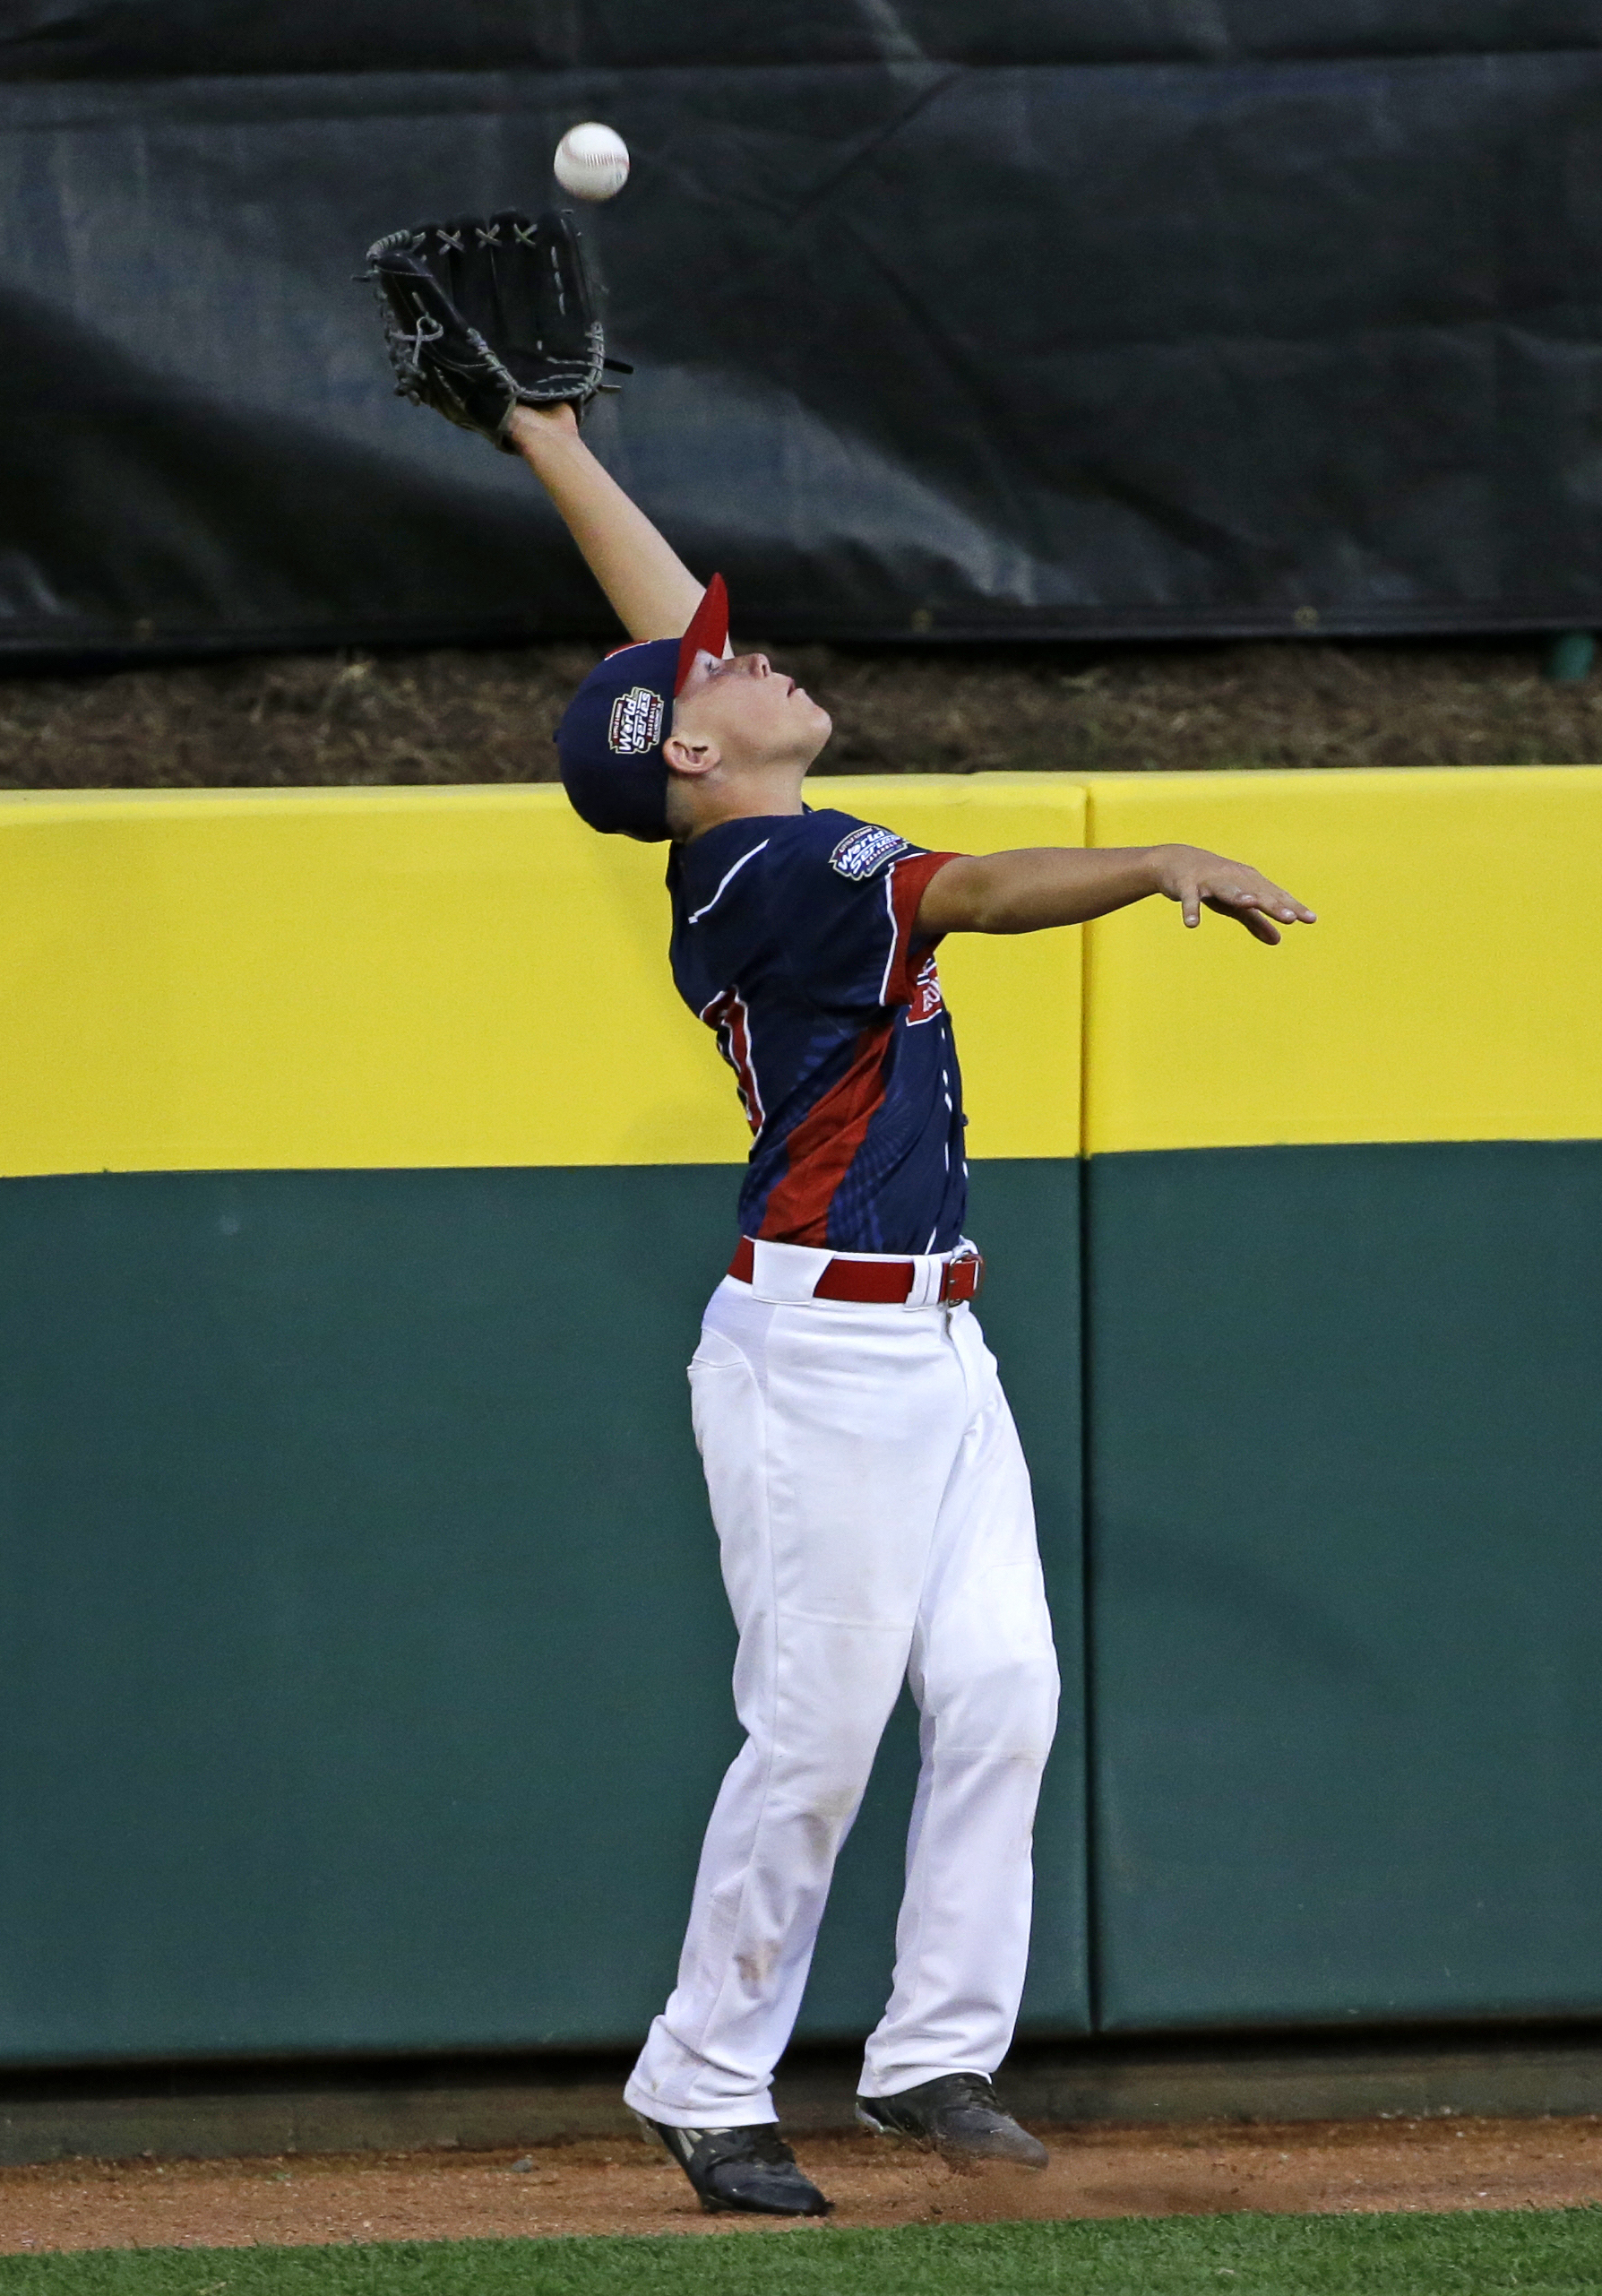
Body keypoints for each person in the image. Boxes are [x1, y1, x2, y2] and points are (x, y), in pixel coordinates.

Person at [507, 400, 1315, 2218]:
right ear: (702, 751)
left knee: (1004, 1691)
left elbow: (663, 660)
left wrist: (539, 431)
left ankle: (934, 2055)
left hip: (933, 1344)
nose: (753, 650)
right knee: (813, 1728)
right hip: (823, 1361)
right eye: (728, 671)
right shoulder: (776, 869)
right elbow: (989, 889)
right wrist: (1154, 860)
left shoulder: (728, 811)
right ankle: (707, 2079)